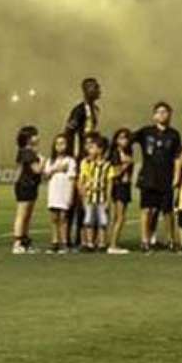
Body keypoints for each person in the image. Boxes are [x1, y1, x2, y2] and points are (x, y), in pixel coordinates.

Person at [132, 102, 182, 252]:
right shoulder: (146, 132)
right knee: (147, 209)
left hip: (166, 177)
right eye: (159, 112)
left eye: (165, 112)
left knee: (167, 211)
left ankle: (171, 240)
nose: (162, 115)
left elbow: (178, 157)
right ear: (154, 116)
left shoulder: (173, 134)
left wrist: (177, 176)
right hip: (148, 176)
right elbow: (126, 140)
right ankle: (145, 240)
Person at [64, 77, 102, 248]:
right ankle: (67, 238)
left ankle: (81, 237)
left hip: (89, 158)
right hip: (79, 159)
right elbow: (68, 131)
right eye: (95, 87)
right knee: (75, 199)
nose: (99, 90)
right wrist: (72, 156)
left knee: (85, 199)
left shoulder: (95, 109)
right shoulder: (79, 110)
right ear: (86, 90)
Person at [78, 133, 114, 252]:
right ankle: (89, 243)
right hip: (89, 197)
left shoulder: (107, 166)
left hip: (101, 197)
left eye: (93, 147)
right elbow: (83, 180)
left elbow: (109, 183)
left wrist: (108, 200)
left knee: (102, 221)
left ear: (100, 149)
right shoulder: (87, 163)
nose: (90, 150)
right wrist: (83, 194)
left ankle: (102, 243)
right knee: (88, 220)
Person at [12, 126, 43, 254]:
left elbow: (19, 170)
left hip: (29, 186)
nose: (38, 137)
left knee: (27, 216)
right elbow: (37, 170)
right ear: (29, 139)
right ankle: (17, 242)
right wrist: (43, 161)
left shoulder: (25, 152)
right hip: (26, 186)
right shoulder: (28, 152)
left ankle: (25, 242)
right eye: (35, 135)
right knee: (22, 215)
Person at [44, 134, 77, 253]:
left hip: (64, 191)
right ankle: (54, 241)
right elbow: (46, 175)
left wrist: (71, 195)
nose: (60, 146)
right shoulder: (51, 161)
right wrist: (56, 169)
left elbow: (72, 178)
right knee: (54, 218)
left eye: (62, 143)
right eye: (57, 144)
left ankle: (64, 242)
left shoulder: (70, 161)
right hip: (54, 192)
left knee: (63, 218)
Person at [108, 127, 135, 255]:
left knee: (119, 216)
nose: (124, 141)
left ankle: (113, 242)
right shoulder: (116, 153)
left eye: (126, 138)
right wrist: (126, 164)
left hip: (125, 185)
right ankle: (113, 245)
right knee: (120, 217)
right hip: (119, 186)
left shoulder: (128, 151)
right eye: (121, 138)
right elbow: (115, 172)